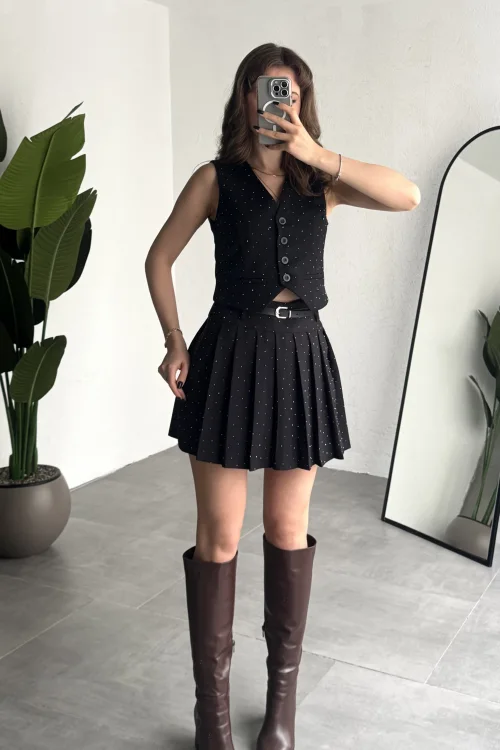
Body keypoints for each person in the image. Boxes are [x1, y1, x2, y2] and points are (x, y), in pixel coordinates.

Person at [145, 42, 420, 750]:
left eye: (290, 93)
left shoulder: (320, 182)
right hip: (228, 355)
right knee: (219, 537)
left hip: (300, 355)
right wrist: (174, 340)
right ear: (245, 97)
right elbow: (159, 257)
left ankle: (280, 714)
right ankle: (212, 721)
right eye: (268, 90)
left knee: (286, 531)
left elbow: (407, 195)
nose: (279, 102)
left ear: (303, 103)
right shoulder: (214, 179)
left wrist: (318, 153)